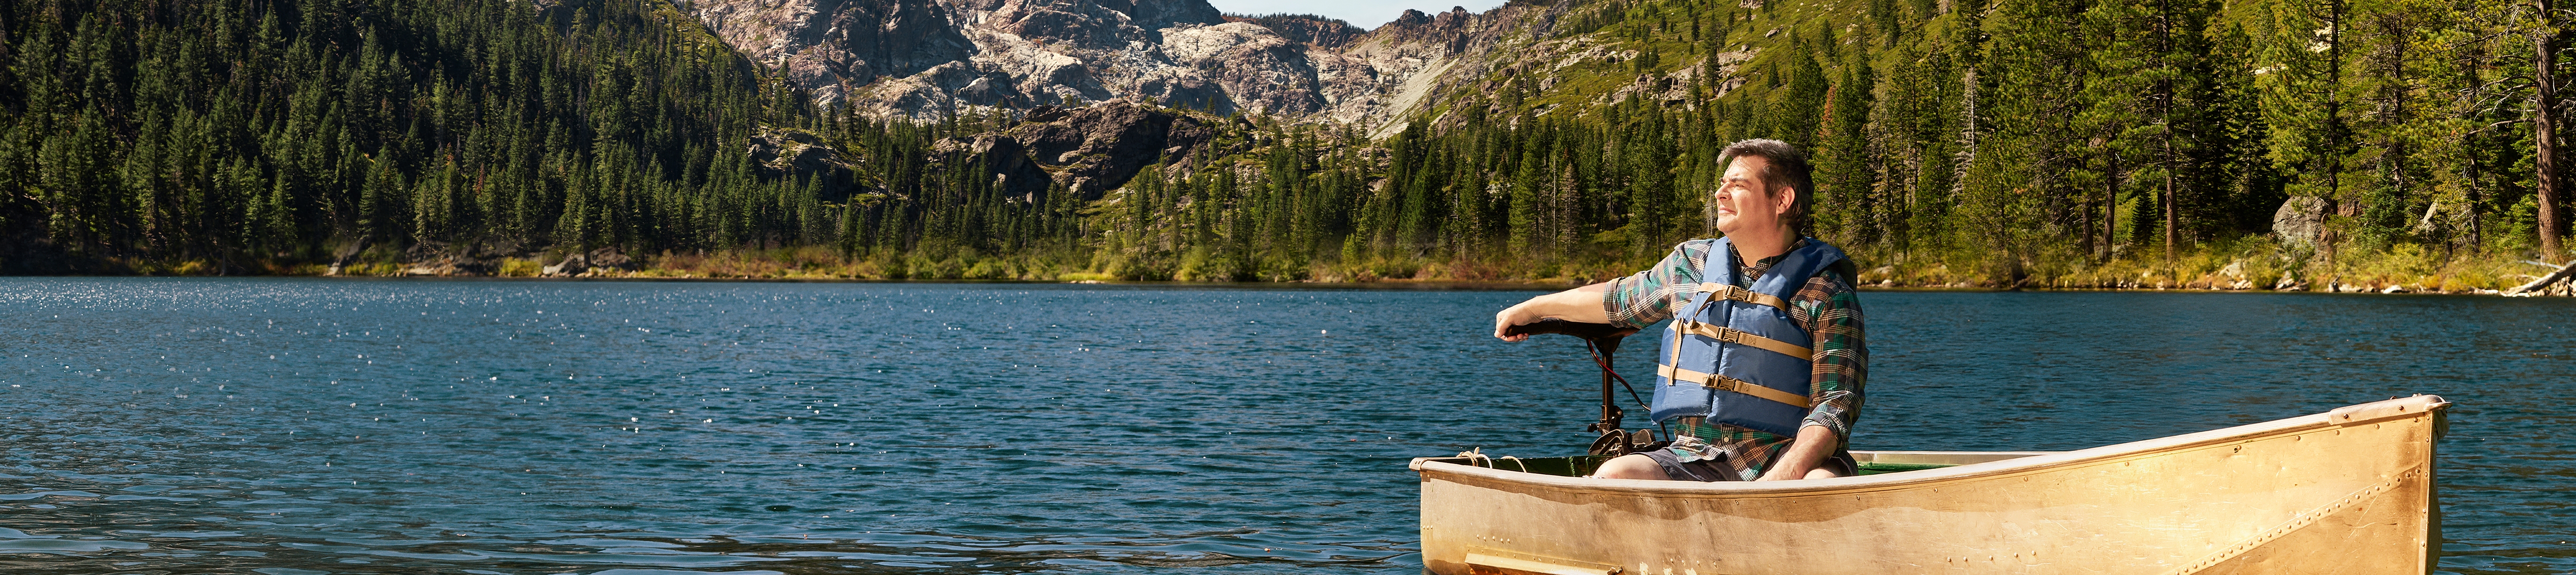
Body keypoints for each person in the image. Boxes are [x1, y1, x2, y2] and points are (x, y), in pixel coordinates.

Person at [1491, 139, 1865, 482]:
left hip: (1786, 456)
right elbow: (1619, 302)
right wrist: (1534, 308)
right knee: (1616, 475)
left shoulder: (1827, 292)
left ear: (1782, 200)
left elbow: (1835, 405)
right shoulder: (1691, 264)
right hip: (1693, 456)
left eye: (1738, 185)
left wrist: (1785, 475)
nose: (1720, 193)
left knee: (1818, 485)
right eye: (1722, 183)